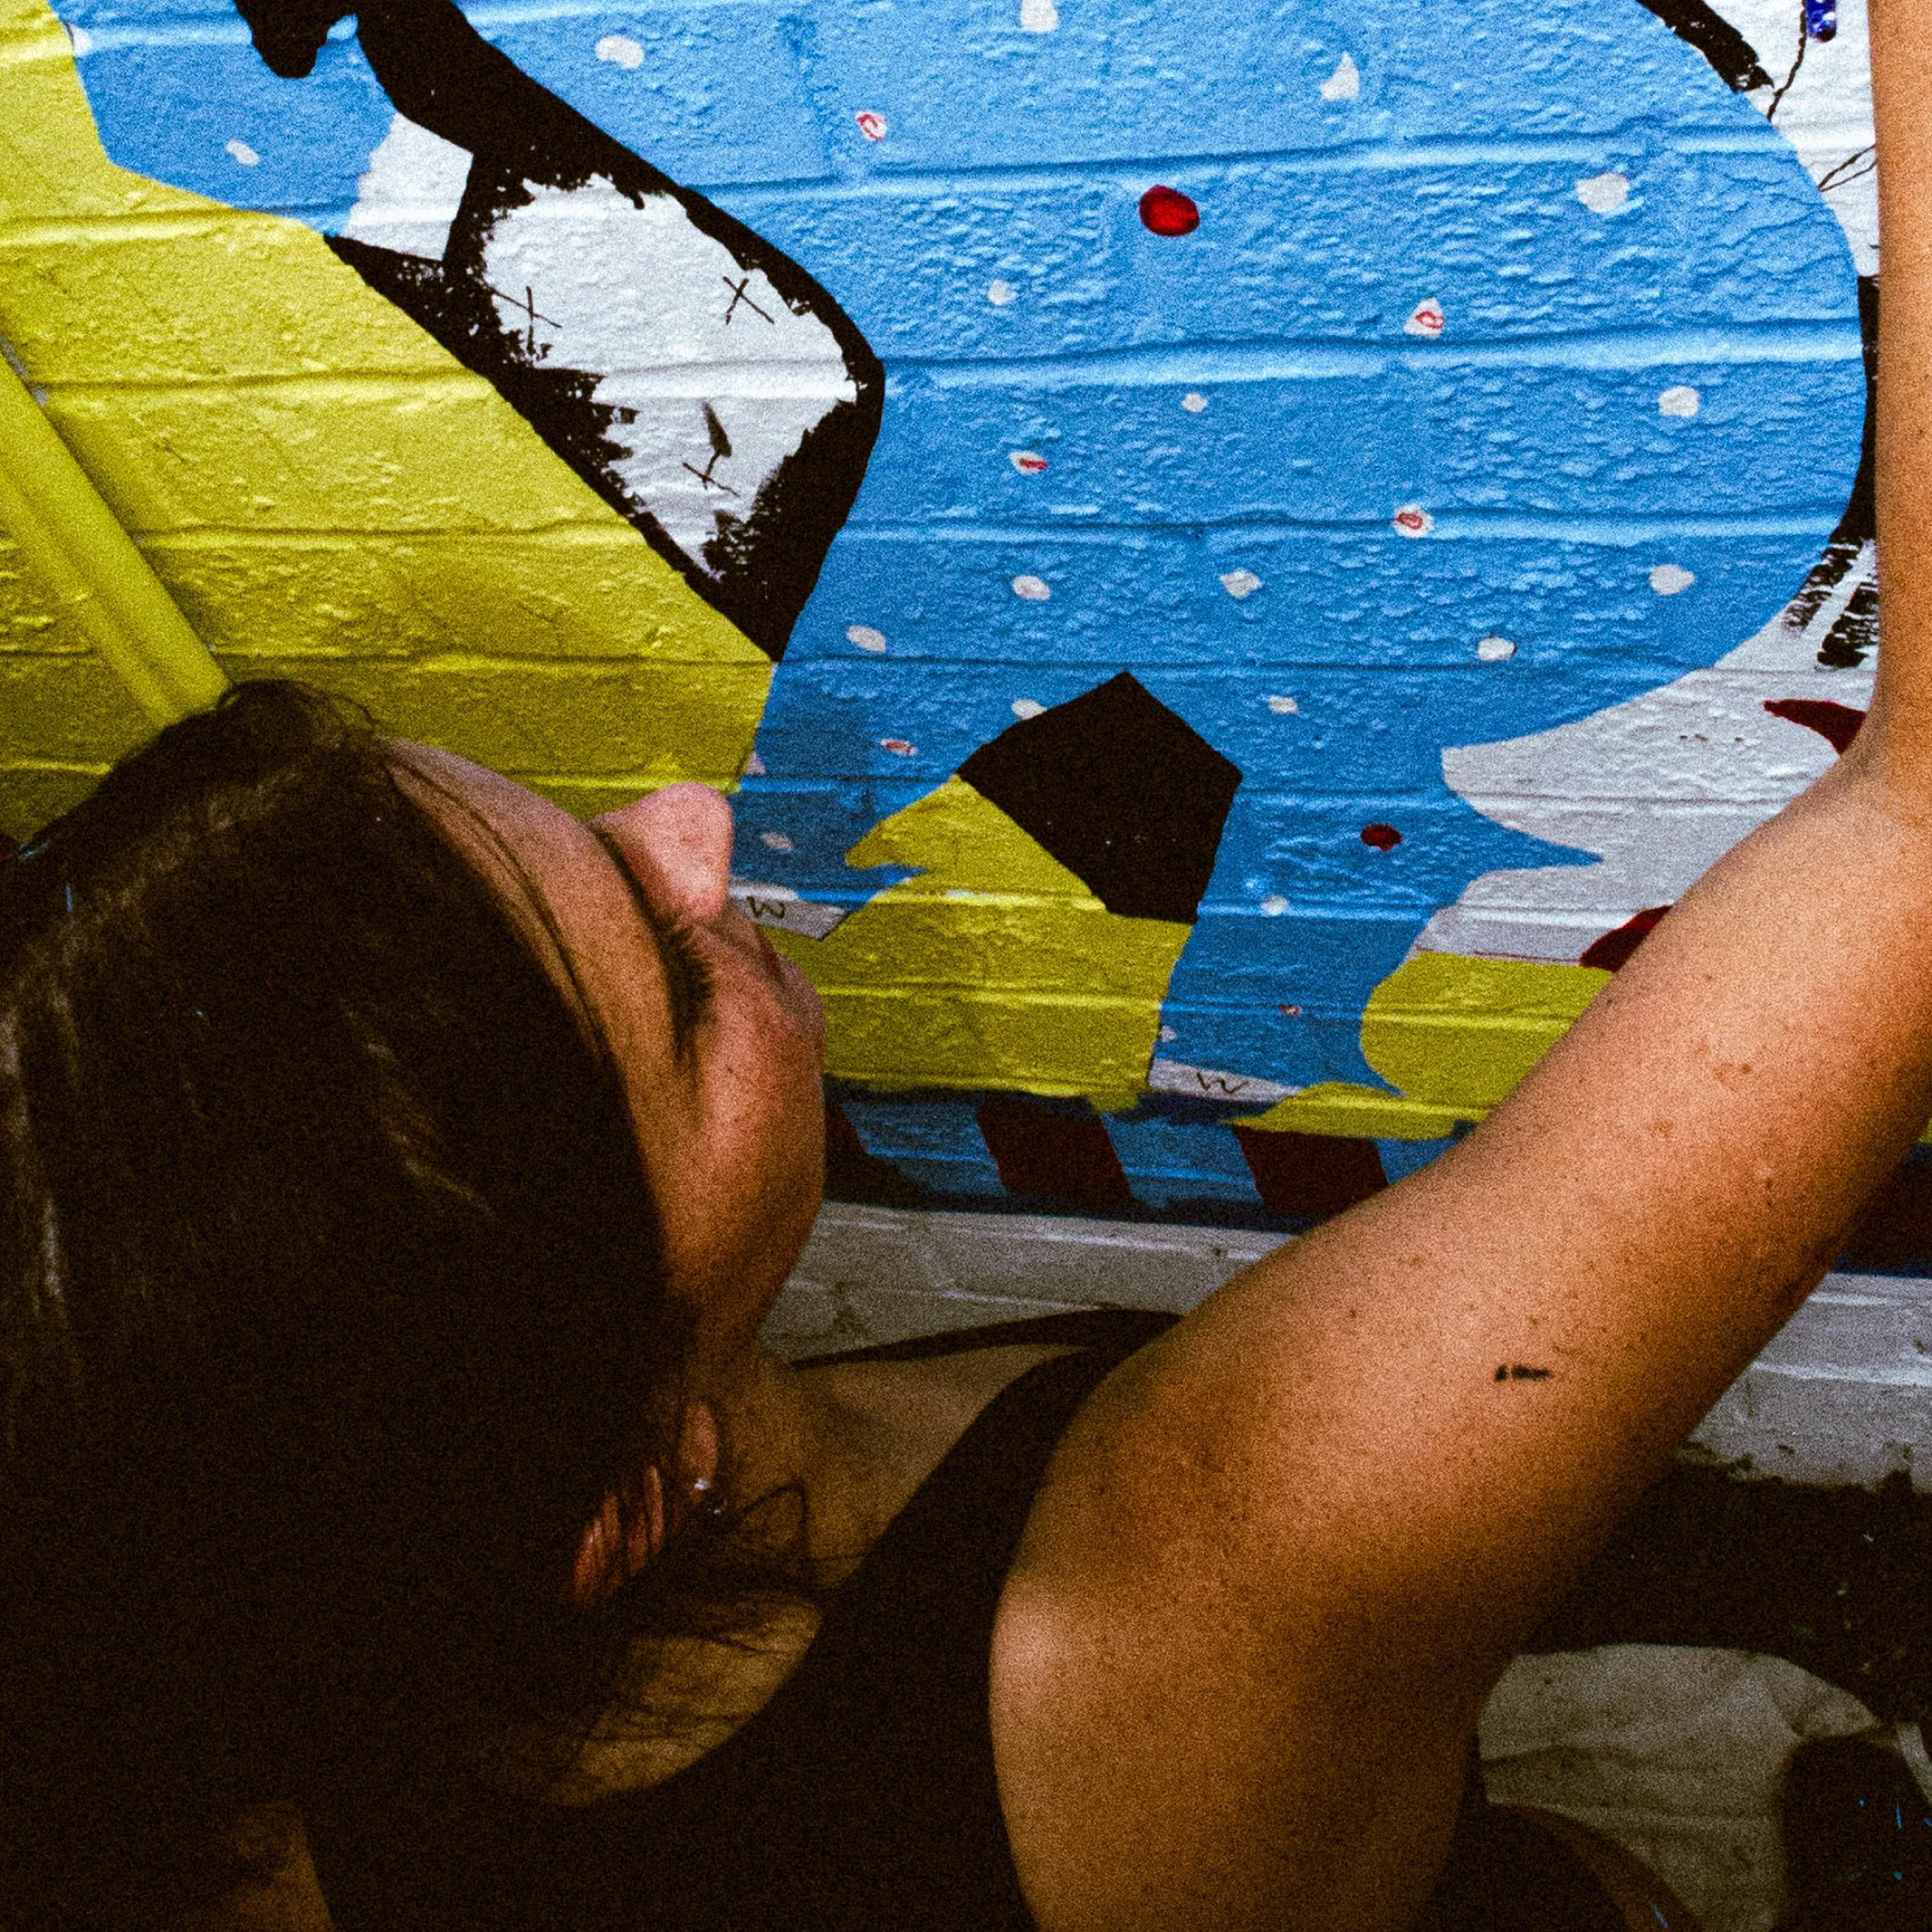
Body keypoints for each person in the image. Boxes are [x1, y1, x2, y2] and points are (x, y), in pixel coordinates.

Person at [8, 8, 1932, 1928]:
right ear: (622, 1499)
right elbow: (1911, 835)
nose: (692, 822)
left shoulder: (228, 1702)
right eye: (676, 996)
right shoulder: (1218, 1579)